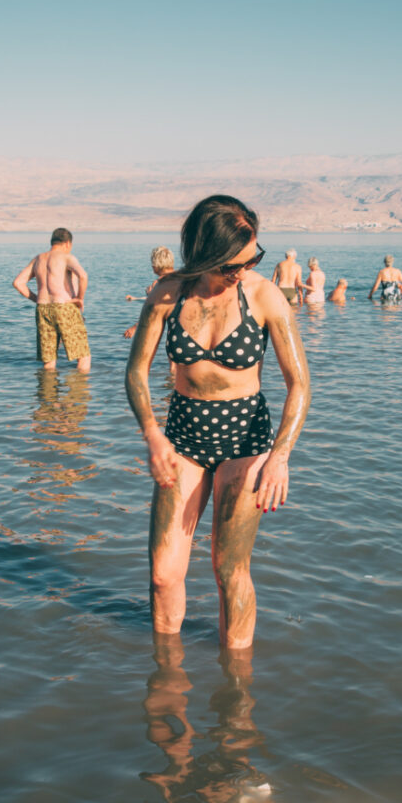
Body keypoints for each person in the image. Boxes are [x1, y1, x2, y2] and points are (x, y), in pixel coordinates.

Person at [125, 195, 310, 648]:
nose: (243, 271)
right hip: (183, 437)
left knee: (229, 571)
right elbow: (136, 371)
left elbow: (299, 385)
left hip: (245, 443)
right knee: (163, 575)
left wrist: (279, 457)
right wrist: (152, 433)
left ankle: (237, 693)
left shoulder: (264, 297)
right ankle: (166, 680)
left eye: (253, 259)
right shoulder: (169, 293)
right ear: (206, 254)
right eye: (233, 264)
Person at [12, 227, 91, 373]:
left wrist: (37, 299)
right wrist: (80, 298)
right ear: (68, 244)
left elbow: (18, 283)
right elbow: (83, 276)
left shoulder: (38, 259)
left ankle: (48, 395)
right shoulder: (67, 257)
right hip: (64, 307)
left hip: (43, 309)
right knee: (83, 357)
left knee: (49, 361)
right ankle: (78, 395)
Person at [124, 246, 175, 338]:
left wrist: (135, 328)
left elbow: (153, 310)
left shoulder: (159, 284)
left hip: (176, 336)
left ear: (155, 266)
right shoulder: (183, 277)